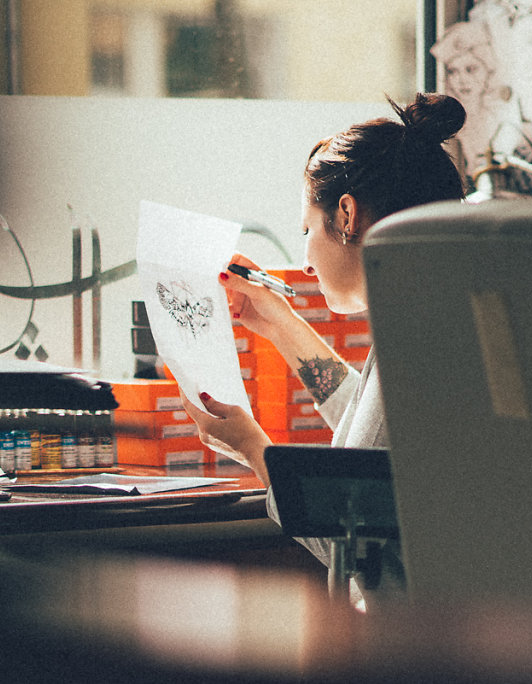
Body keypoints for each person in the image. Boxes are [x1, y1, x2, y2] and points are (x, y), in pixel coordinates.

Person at [181, 92, 467, 590]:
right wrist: (279, 324)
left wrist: (255, 450)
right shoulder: (437, 322)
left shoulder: (414, 350)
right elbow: (372, 442)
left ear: (348, 214)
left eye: (308, 228)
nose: (306, 261)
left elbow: (348, 546)